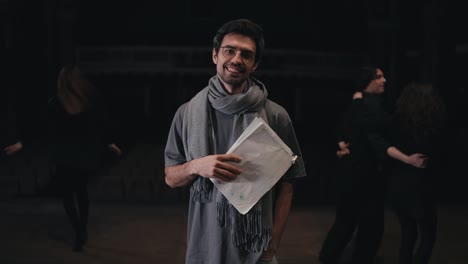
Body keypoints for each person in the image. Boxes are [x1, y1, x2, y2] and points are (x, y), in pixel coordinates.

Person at [164, 18, 307, 264]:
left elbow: (287, 187)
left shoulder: (276, 116)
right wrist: (196, 166)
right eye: (229, 50)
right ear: (215, 56)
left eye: (246, 54)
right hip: (204, 249)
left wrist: (273, 244)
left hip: (256, 251)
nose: (236, 59)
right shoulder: (187, 113)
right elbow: (171, 178)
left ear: (254, 65)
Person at [319, 66, 427, 264]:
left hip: (356, 175)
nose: (384, 80)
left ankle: (329, 258)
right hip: (363, 177)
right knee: (368, 226)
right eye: (379, 77)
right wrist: (407, 158)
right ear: (367, 81)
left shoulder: (361, 104)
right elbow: (377, 138)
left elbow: (343, 130)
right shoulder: (367, 107)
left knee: (349, 223)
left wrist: (341, 142)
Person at [47, 64, 122, 252]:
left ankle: (79, 230)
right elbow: (100, 126)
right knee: (80, 193)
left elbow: (49, 129)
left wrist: (107, 141)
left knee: (70, 195)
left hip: (67, 156)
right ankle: (81, 230)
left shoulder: (58, 103)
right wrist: (108, 142)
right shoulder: (84, 102)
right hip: (79, 155)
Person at [387, 82, 447, 264]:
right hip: (422, 187)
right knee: (428, 237)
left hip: (400, 184)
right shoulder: (433, 128)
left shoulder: (397, 122)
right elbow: (439, 157)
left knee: (408, 234)